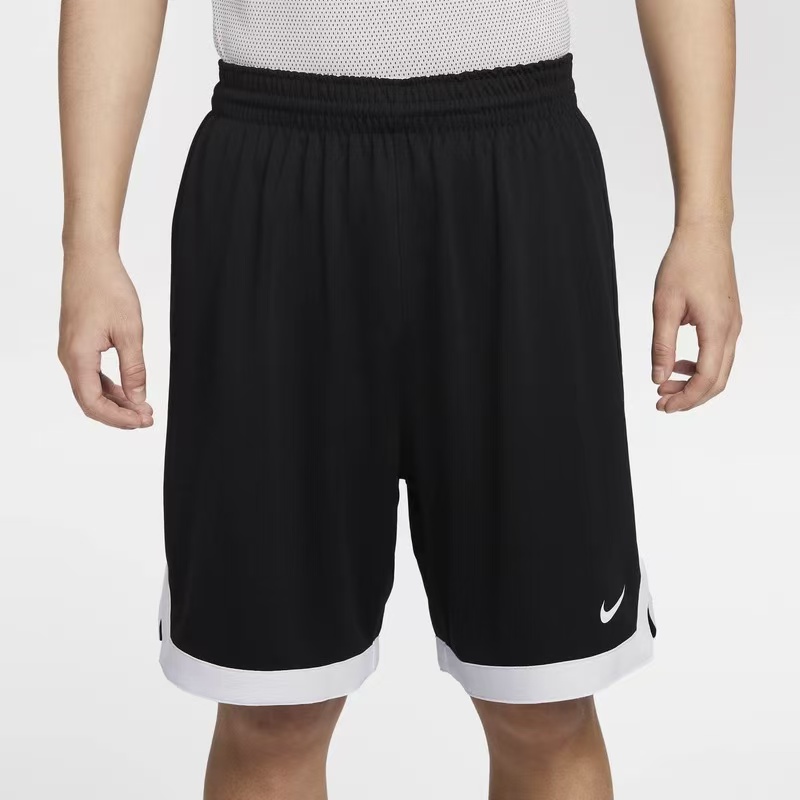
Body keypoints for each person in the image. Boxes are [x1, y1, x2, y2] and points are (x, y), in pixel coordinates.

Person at [57, 1, 741, 798]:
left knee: (546, 704)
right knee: (272, 711)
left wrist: (706, 221)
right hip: (275, 178)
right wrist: (88, 243)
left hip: (516, 177)